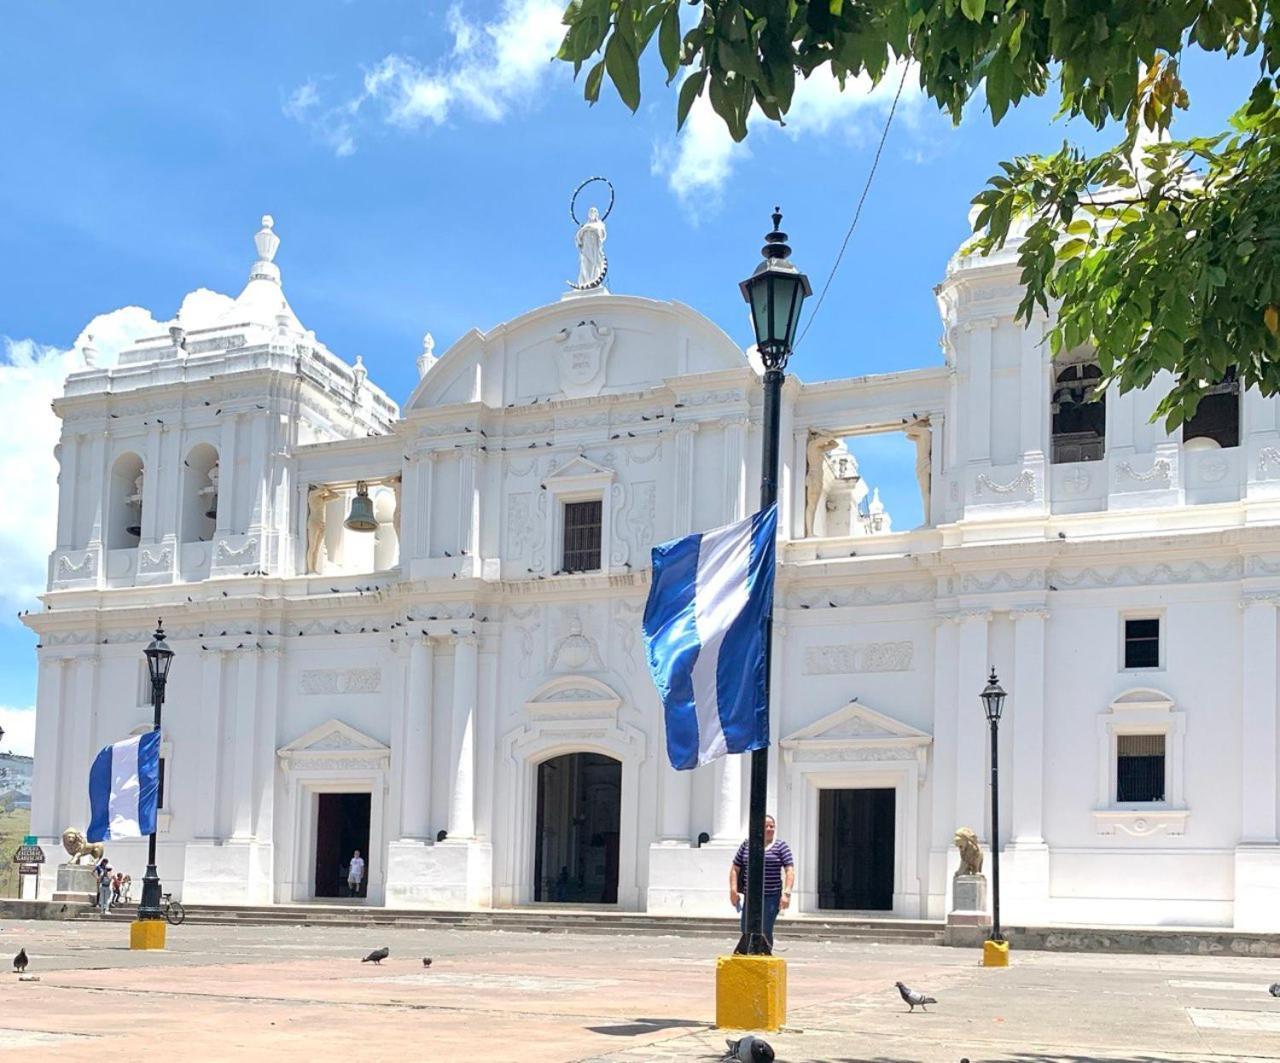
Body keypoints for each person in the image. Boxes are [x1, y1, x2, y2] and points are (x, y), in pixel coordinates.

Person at [729, 814, 795, 947]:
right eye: (766, 826)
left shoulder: (781, 846)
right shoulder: (747, 845)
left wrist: (786, 894)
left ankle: (765, 954)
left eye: (772, 826)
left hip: (771, 895)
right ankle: (748, 956)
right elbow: (735, 868)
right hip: (751, 895)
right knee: (746, 928)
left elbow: (790, 870)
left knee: (765, 929)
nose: (770, 829)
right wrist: (733, 890)